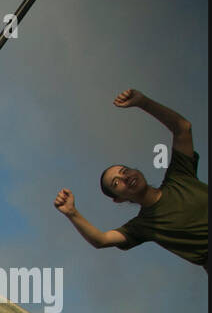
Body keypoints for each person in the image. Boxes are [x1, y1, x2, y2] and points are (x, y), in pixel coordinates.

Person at [53, 89, 207, 271]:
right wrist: (72, 212)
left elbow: (182, 128)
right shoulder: (144, 225)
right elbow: (101, 240)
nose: (125, 177)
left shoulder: (179, 176)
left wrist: (143, 102)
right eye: (116, 183)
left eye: (124, 171)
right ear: (118, 199)